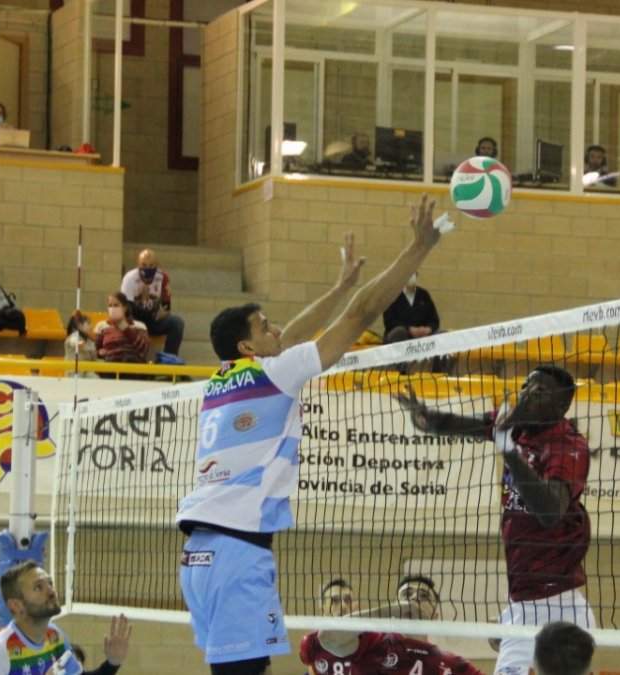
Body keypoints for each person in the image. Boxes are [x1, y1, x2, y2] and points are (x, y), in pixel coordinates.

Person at [176, 196, 446, 675]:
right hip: (238, 553)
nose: (276, 329)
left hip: (199, 554)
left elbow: (292, 333)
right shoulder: (275, 373)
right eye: (264, 327)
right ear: (247, 346)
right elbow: (362, 315)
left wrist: (339, 284)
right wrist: (417, 249)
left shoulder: (222, 378)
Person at [397, 365, 594, 675]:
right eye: (526, 386)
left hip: (560, 607)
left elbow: (549, 511)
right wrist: (426, 418)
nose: (526, 395)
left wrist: (509, 452)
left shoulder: (569, 447)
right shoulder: (516, 424)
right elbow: (457, 424)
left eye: (539, 392)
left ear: (560, 406)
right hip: (521, 605)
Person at [299, 573, 480, 675]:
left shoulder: (450, 663)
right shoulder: (373, 643)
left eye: (424, 597)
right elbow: (328, 638)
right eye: (406, 595)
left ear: (434, 615)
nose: (414, 599)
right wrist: (388, 612)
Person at [0, 560, 131, 675]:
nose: (51, 591)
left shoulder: (55, 636)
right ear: (16, 605)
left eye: (50, 583)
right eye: (38, 587)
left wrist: (112, 663)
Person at [120, 249, 185, 359]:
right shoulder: (129, 279)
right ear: (138, 265)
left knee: (177, 322)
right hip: (134, 320)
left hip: (153, 320)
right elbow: (126, 311)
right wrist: (142, 304)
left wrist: (152, 311)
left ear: (157, 265)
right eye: (144, 265)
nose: (147, 268)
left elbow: (166, 309)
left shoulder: (163, 278)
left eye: (151, 265)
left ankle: (169, 361)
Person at [382, 272, 440, 344]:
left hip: (422, 337)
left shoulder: (424, 295)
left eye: (413, 273)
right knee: (400, 331)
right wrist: (409, 329)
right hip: (399, 336)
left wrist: (428, 329)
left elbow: (434, 320)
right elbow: (389, 321)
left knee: (441, 334)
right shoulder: (392, 294)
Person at [94, 293, 151, 366]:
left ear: (125, 308)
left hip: (132, 364)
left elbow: (144, 349)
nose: (112, 309)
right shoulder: (102, 326)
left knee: (130, 360)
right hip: (110, 363)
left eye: (116, 305)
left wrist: (126, 330)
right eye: (110, 306)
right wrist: (99, 352)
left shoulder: (139, 326)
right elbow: (94, 350)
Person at [64, 310, 99, 377]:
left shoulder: (91, 342)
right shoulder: (74, 336)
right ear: (80, 326)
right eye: (88, 324)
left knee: (96, 380)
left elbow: (94, 359)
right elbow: (72, 341)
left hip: (87, 371)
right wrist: (78, 343)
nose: (91, 326)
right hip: (73, 372)